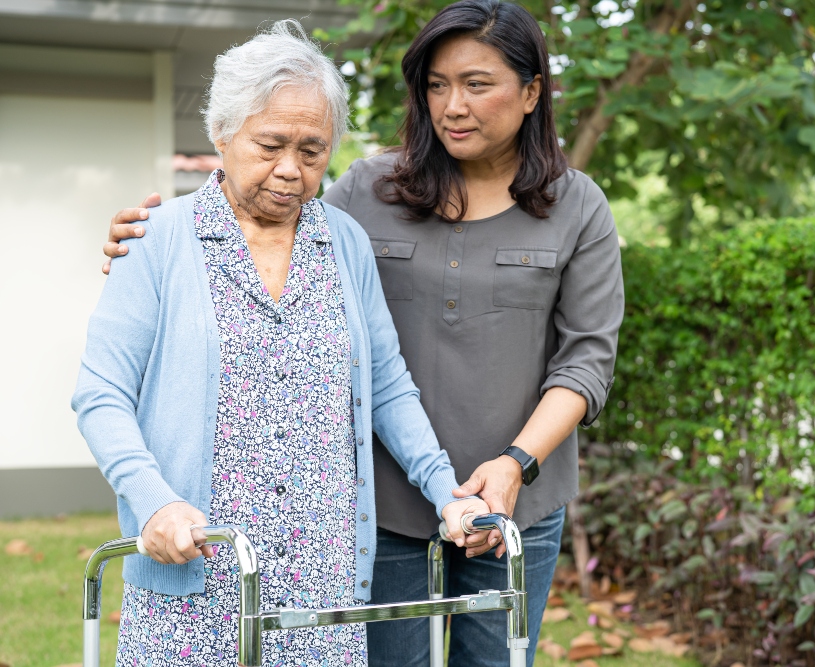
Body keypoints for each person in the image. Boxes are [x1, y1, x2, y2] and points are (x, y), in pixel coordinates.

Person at [102, 2, 624, 665]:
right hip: (384, 504)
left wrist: (515, 463)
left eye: (477, 84)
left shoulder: (577, 206)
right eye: (437, 85)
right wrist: (141, 240)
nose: (453, 105)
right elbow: (262, 216)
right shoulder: (370, 190)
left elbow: (584, 361)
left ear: (531, 92)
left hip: (510, 498)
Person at [74, 20, 494, 666]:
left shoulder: (345, 243)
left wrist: (447, 491)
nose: (291, 170)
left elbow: (385, 384)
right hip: (196, 574)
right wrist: (152, 502)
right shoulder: (156, 239)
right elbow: (100, 395)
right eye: (270, 144)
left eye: (313, 149)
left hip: (320, 586)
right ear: (221, 133)